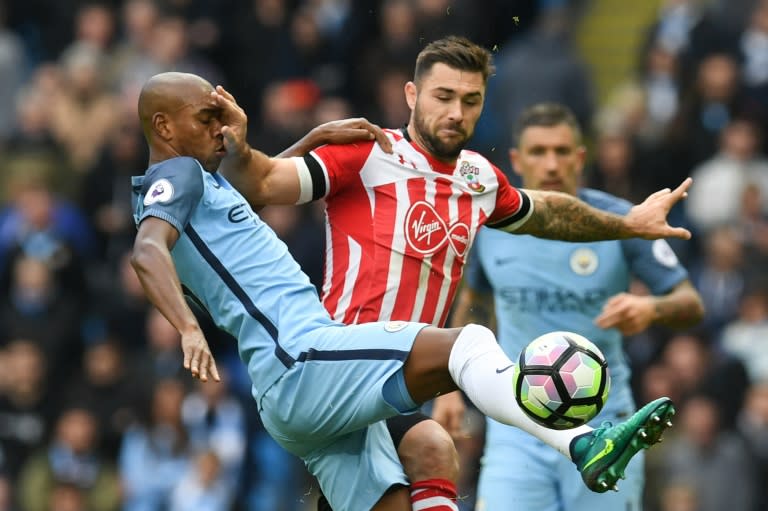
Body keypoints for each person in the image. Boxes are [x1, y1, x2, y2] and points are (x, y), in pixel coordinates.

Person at [130, 70, 687, 510]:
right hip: (302, 354)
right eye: (205, 118)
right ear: (163, 126)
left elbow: (239, 220)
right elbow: (147, 249)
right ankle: (584, 442)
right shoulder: (177, 177)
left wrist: (312, 138)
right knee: (466, 343)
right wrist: (186, 328)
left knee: (427, 450)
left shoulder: (198, 185)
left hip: (292, 387)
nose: (217, 128)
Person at [450, 102, 705, 511]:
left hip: (606, 423)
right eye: (538, 151)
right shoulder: (488, 224)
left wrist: (650, 310)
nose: (551, 164)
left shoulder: (622, 220)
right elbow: (474, 304)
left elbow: (689, 302)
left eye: (562, 151)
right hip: (518, 428)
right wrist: (452, 390)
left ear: (580, 157)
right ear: (516, 160)